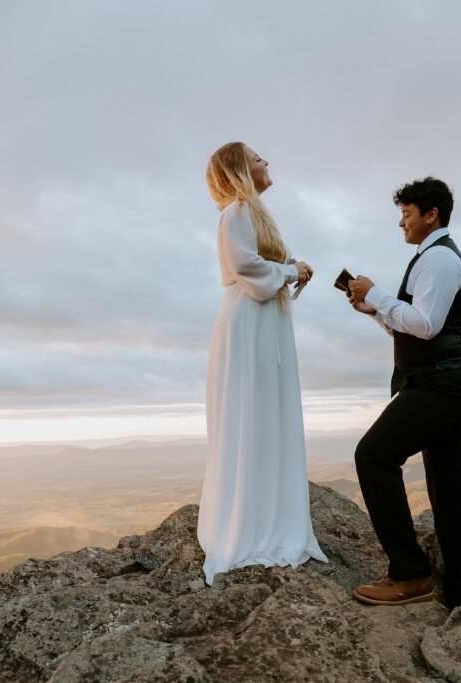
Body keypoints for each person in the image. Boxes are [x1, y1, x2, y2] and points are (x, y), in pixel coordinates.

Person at [346, 176, 461, 608]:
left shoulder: (439, 260)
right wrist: (374, 310)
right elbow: (414, 324)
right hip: (449, 382)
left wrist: (379, 294)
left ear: (431, 215)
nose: (401, 223)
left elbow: (425, 324)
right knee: (447, 493)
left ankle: (411, 573)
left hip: (441, 385)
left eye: (406, 214)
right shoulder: (432, 257)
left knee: (373, 456)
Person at [197, 141, 328, 585]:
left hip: (263, 321)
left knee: (265, 413)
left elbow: (265, 267)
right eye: (257, 159)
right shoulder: (234, 212)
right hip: (248, 323)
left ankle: (265, 515)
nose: (266, 162)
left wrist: (294, 267)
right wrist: (291, 271)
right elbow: (250, 272)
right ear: (239, 169)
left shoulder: (250, 214)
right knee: (250, 414)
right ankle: (246, 527)